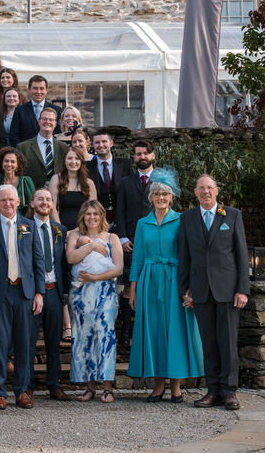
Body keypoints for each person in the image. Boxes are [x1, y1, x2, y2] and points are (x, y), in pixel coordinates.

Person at [128, 170, 204, 404]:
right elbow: (138, 257)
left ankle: (176, 387)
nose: (161, 197)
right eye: (157, 193)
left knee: (175, 331)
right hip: (149, 281)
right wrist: (133, 288)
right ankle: (157, 386)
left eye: (165, 194)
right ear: (151, 197)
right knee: (154, 331)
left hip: (175, 280)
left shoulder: (182, 220)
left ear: (172, 197)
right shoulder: (143, 224)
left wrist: (190, 286)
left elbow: (190, 255)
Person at [178, 174, 250, 411]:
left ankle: (229, 392)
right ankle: (213, 391)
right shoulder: (187, 217)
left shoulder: (232, 215)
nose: (206, 192)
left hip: (228, 290)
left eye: (210, 188)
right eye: (201, 188)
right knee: (208, 343)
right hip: (200, 290)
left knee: (228, 342)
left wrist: (242, 289)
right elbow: (184, 256)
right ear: (195, 192)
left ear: (217, 191)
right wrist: (184, 289)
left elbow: (241, 255)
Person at [0, 185, 44, 410]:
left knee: (25, 343)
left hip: (24, 292)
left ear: (18, 202)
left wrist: (39, 293)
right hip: (0, 293)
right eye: (3, 200)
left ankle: (22, 391)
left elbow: (38, 262)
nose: (7, 204)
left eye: (11, 200)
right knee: (0, 344)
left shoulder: (30, 227)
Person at [66, 200, 123, 403]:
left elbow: (118, 268)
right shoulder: (75, 235)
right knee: (83, 338)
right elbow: (71, 258)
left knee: (105, 336)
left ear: (102, 216)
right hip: (80, 294)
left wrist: (95, 278)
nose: (92, 217)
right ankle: (89, 387)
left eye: (96, 214)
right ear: (83, 216)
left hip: (104, 292)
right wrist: (92, 247)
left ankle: (107, 387)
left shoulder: (112, 237)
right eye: (88, 214)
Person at [28, 189, 71, 401]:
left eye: (48, 199)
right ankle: (27, 385)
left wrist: (65, 293)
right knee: (27, 341)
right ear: (32, 203)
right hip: (31, 293)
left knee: (54, 342)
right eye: (40, 199)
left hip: (54, 291)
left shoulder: (59, 230)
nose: (44, 202)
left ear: (53, 204)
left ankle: (54, 384)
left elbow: (64, 264)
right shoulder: (24, 228)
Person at [116, 138, 157, 344]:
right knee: (127, 287)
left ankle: (146, 328)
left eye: (145, 154)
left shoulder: (162, 181)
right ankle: (126, 328)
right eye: (138, 154)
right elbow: (119, 213)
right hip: (130, 241)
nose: (141, 157)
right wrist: (122, 238)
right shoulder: (126, 182)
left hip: (154, 242)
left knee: (150, 285)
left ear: (152, 156)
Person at [87, 129, 133, 227]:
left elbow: (130, 193)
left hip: (122, 220)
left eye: (104, 141)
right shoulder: (86, 167)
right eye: (97, 142)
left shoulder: (125, 164)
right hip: (96, 221)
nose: (101, 145)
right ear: (93, 145)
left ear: (111, 143)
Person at [48, 147, 97, 231]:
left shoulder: (89, 183)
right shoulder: (56, 179)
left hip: (84, 230)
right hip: (60, 229)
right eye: (69, 158)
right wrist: (61, 230)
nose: (73, 162)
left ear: (81, 161)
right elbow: (52, 207)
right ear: (64, 161)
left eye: (77, 158)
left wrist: (78, 230)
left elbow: (93, 210)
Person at [17, 106, 67, 189]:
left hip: (59, 193)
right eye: (44, 119)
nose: (47, 122)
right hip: (33, 192)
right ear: (39, 121)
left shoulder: (63, 148)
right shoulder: (23, 148)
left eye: (51, 120)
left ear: (55, 123)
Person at [8, 75, 63, 146]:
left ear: (46, 90)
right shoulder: (19, 111)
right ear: (29, 90)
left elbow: (59, 135)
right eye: (35, 88)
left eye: (41, 88)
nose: (38, 92)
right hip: (25, 154)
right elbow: (14, 137)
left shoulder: (57, 110)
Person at [0, 147, 35, 216]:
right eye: (6, 161)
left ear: (17, 165)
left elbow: (34, 204)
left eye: (13, 162)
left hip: (22, 222)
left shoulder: (25, 181)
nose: (9, 164)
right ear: (1, 163)